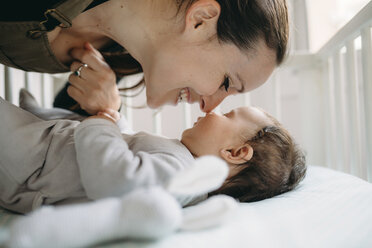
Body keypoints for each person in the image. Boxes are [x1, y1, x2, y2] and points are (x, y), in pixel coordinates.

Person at [0, 89, 306, 214]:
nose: (212, 109)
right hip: (43, 151)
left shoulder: (182, 174)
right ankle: (39, 112)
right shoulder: (181, 165)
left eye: (227, 115)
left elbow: (116, 179)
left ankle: (37, 115)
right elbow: (130, 143)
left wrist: (104, 120)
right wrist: (114, 119)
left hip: (32, 163)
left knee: (90, 126)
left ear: (236, 152)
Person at [0, 0, 289, 113]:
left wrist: (103, 113)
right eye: (227, 83)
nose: (208, 108)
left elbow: (59, 124)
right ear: (201, 20)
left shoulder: (124, 60)